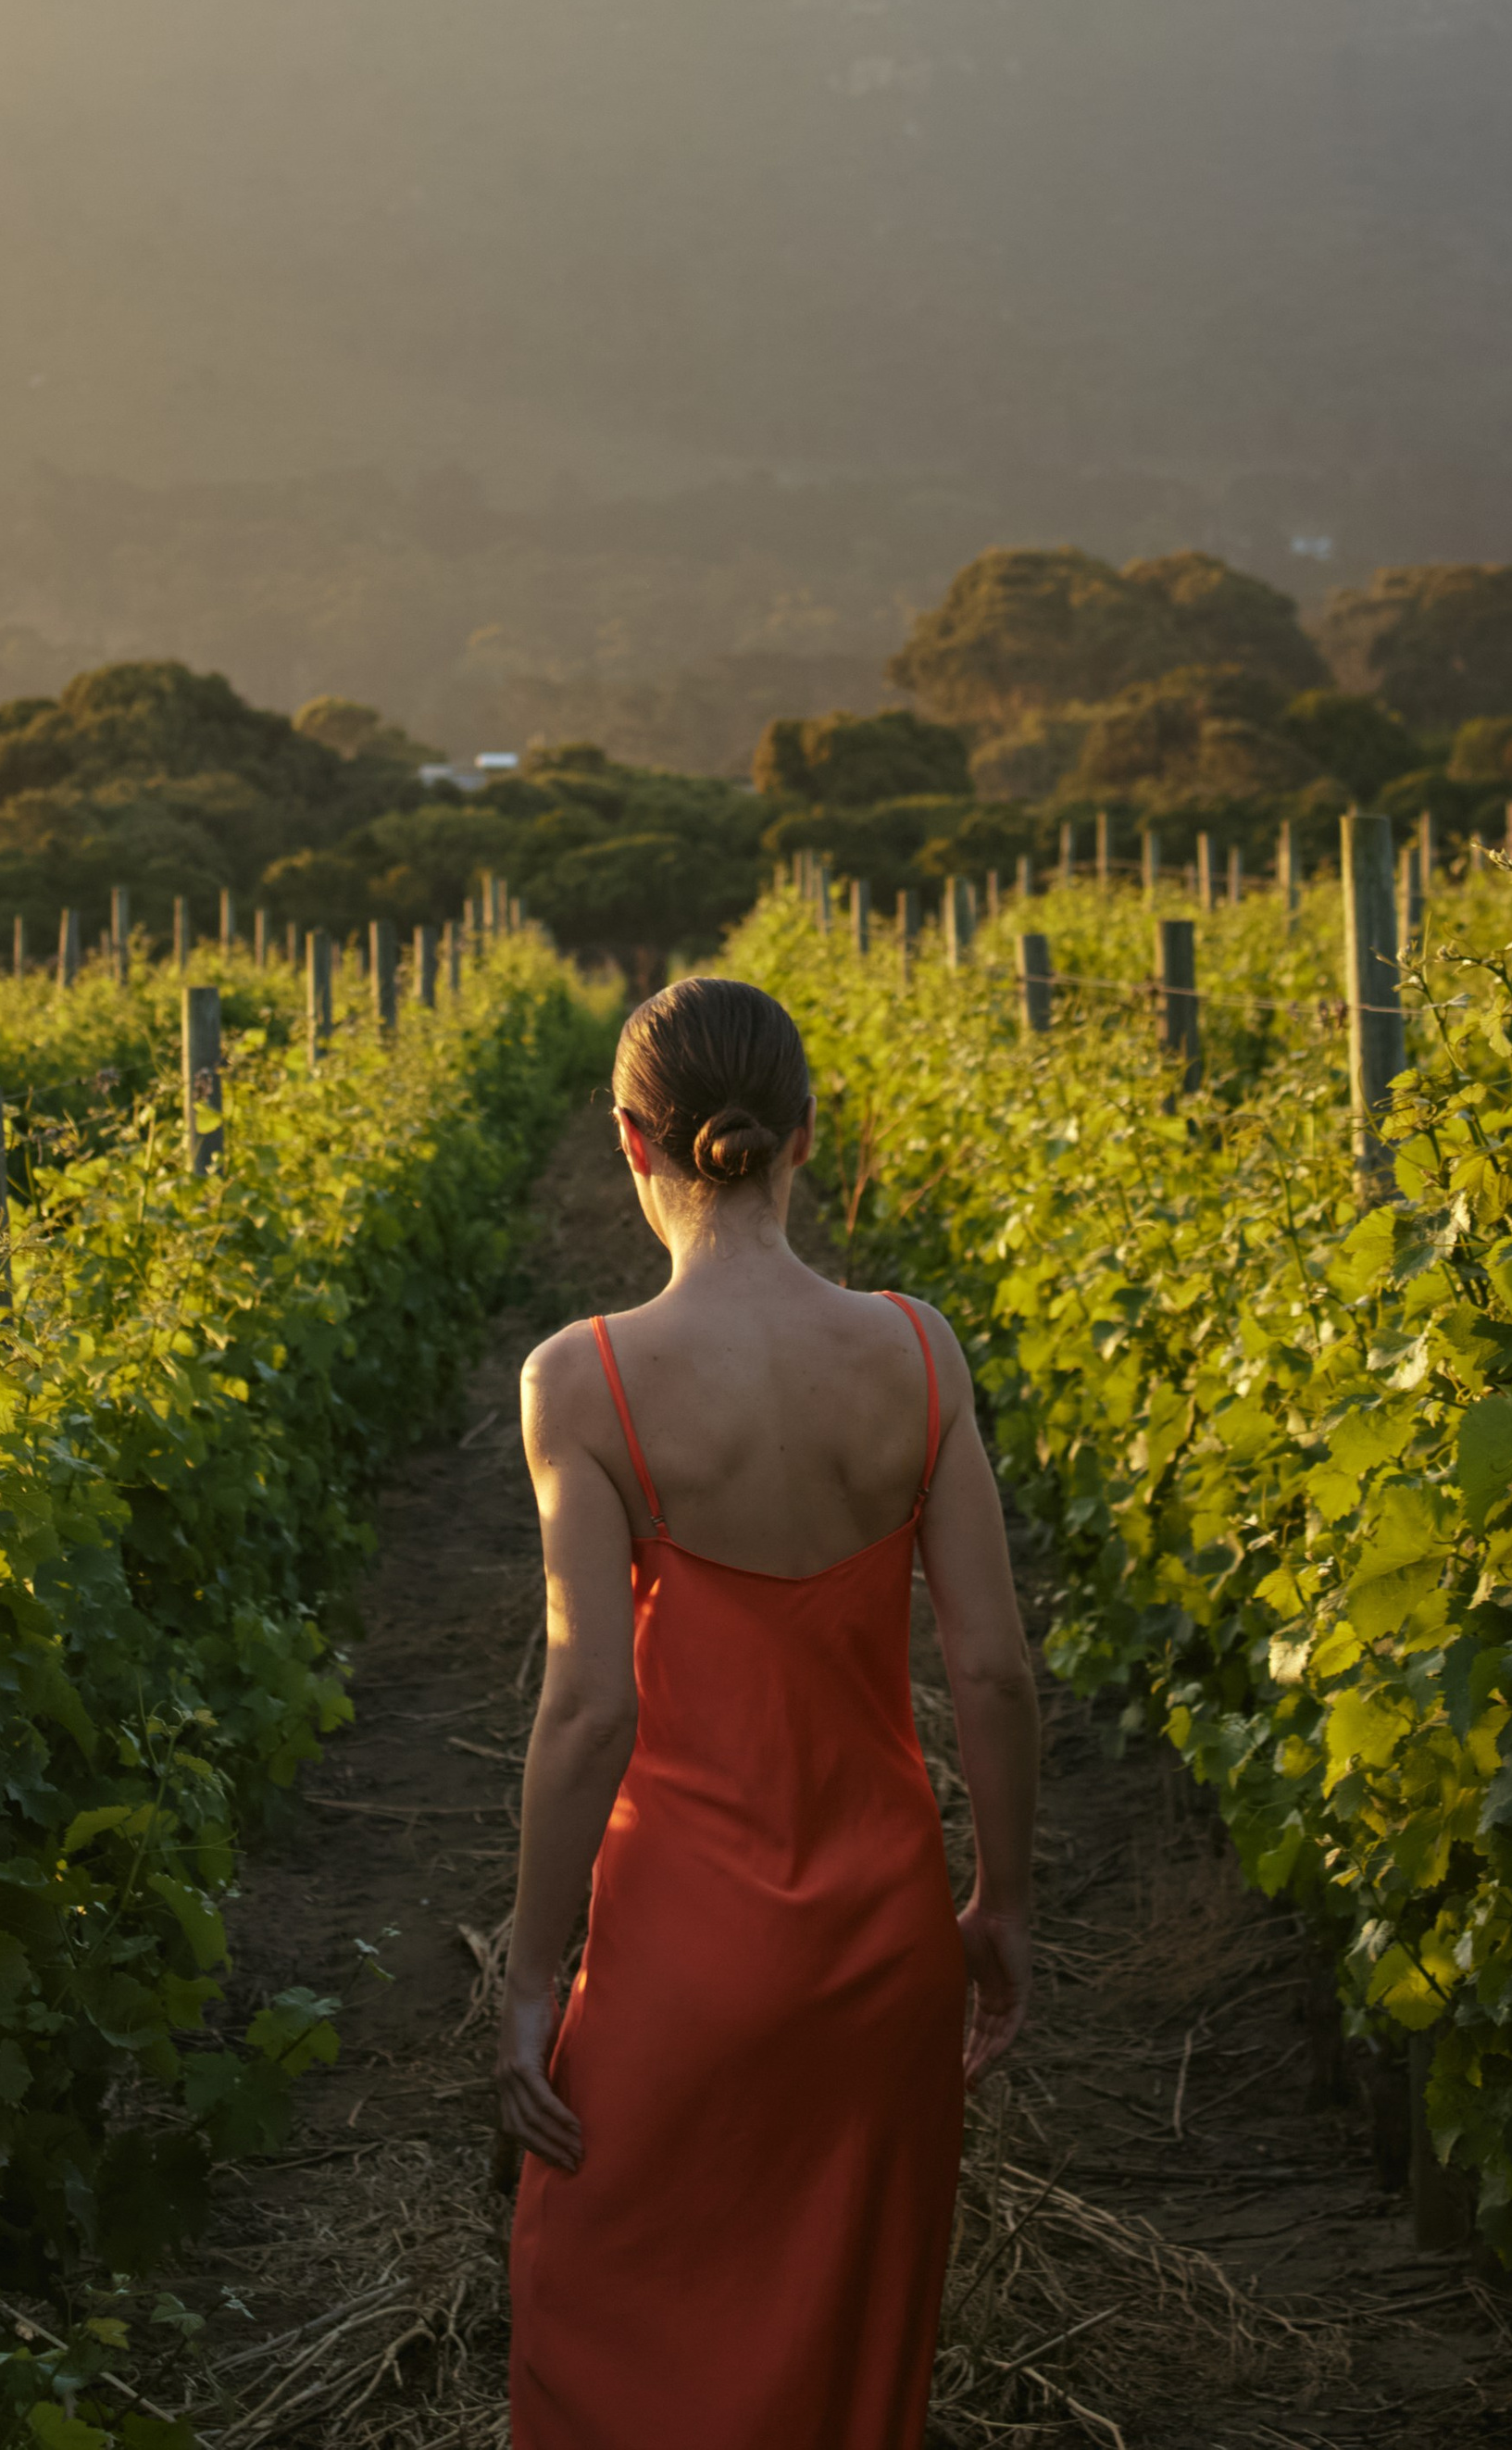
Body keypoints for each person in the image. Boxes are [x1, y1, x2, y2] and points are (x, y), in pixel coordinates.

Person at [500, 974, 1039, 2449]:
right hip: (883, 1950)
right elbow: (992, 1670)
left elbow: (586, 1714)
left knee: (597, 2329)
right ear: (810, 1134)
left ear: (629, 1143)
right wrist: (997, 1901)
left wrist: (535, 1977)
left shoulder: (585, 1381)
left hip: (682, 1959)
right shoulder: (920, 1354)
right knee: (845, 2362)